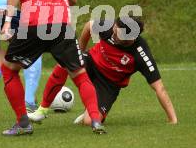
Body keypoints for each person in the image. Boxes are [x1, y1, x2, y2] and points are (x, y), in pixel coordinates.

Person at [0, 0, 105, 136]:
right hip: (61, 23)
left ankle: (23, 123)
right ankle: (95, 120)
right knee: (80, 75)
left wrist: (8, 21)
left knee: (9, 70)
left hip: (33, 22)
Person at [29, 16, 178, 126]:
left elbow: (159, 88)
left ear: (130, 39)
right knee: (66, 60)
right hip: (91, 62)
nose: (113, 34)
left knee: (89, 122)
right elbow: (88, 26)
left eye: (117, 36)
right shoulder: (110, 27)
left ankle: (92, 110)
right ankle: (42, 110)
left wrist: (172, 119)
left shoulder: (140, 53)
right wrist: (79, 50)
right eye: (114, 29)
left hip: (109, 84)